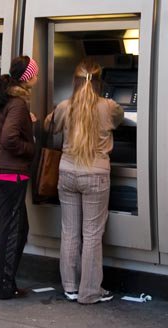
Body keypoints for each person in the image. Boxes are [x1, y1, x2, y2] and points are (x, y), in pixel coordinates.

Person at [51, 59, 121, 304]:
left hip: (67, 172)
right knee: (92, 234)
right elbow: (121, 119)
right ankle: (89, 291)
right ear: (100, 81)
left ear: (75, 81)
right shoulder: (109, 106)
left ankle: (70, 286)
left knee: (69, 231)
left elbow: (52, 124)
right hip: (95, 175)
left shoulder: (65, 106)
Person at [0, 56, 39, 299]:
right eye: (35, 71)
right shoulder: (17, 103)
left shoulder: (5, 99)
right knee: (12, 231)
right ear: (28, 77)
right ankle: (3, 287)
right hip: (11, 174)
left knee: (17, 228)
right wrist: (30, 149)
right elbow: (9, 138)